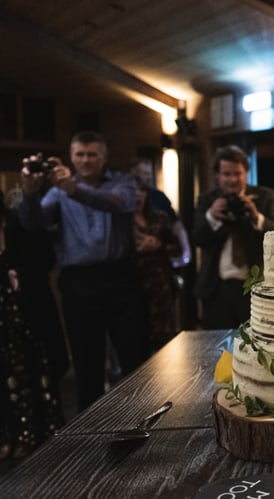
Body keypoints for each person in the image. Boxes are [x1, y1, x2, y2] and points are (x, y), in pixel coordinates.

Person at [17, 131, 150, 411]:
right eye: (79, 154)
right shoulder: (58, 190)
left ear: (103, 157)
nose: (85, 160)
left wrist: (73, 190)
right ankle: (89, 437)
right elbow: (34, 223)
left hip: (121, 277)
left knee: (133, 356)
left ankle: (142, 417)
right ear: (71, 156)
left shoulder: (123, 182)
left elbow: (118, 203)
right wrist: (29, 193)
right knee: (86, 360)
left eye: (91, 154)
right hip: (80, 283)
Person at [0, 191, 65, 461]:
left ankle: (36, 433)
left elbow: (47, 259)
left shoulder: (17, 222)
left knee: (33, 368)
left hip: (25, 309)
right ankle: (9, 436)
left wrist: (17, 274)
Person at [193, 145, 274, 329]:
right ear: (217, 176)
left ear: (246, 173)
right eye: (226, 174)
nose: (232, 179)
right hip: (217, 290)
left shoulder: (265, 196)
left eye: (237, 173)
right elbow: (196, 238)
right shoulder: (207, 200)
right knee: (217, 348)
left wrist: (256, 217)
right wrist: (211, 217)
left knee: (256, 344)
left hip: (254, 286)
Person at [134, 181, 181, 350]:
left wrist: (158, 245)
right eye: (133, 190)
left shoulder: (159, 217)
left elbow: (177, 248)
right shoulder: (121, 221)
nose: (137, 194)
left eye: (141, 190)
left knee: (165, 340)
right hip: (132, 286)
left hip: (160, 284)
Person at [131, 159, 191, 269]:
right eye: (143, 174)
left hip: (160, 271)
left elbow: (176, 226)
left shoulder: (159, 200)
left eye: (148, 174)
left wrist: (186, 252)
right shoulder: (121, 219)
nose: (147, 178)